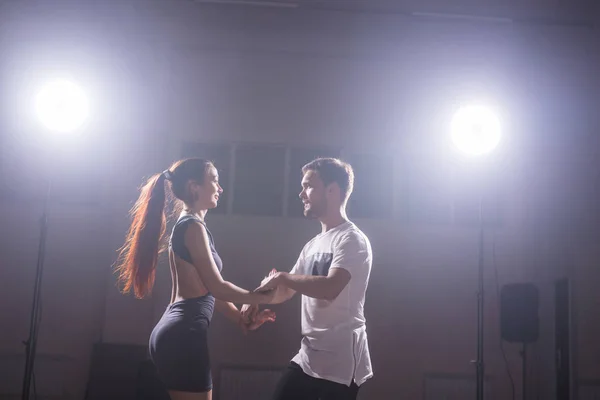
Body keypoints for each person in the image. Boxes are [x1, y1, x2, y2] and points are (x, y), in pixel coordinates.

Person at [114, 158, 276, 400]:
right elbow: (218, 286)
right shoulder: (192, 227)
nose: (220, 188)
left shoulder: (193, 226)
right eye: (214, 180)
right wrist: (263, 294)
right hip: (183, 335)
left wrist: (240, 317)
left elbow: (207, 290)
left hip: (177, 333)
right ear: (194, 187)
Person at [246, 157, 373, 400]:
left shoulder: (352, 239)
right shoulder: (312, 245)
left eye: (308, 186)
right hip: (308, 357)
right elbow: (286, 290)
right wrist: (253, 299)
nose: (301, 194)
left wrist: (283, 277)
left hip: (340, 366)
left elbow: (330, 287)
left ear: (332, 190)